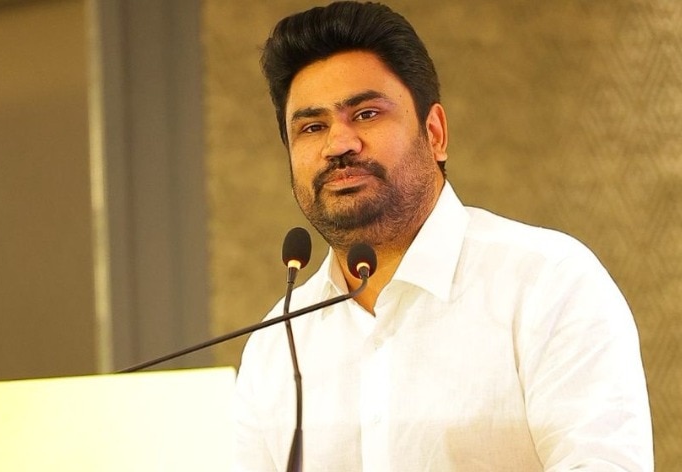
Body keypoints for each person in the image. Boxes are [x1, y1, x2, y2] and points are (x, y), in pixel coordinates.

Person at [232, 2, 653, 471]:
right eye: (313, 127)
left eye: (366, 114)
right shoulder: (277, 344)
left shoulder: (548, 284)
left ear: (434, 134)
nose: (339, 144)